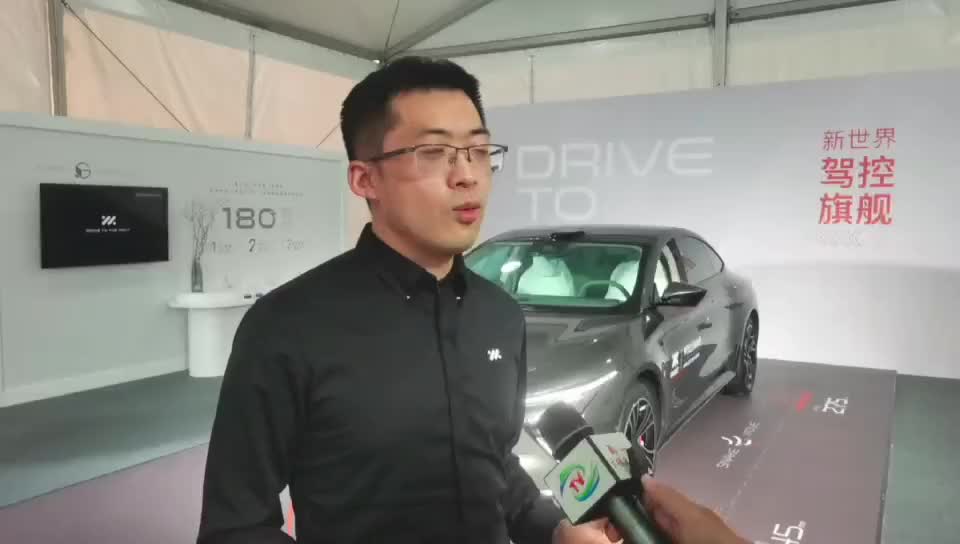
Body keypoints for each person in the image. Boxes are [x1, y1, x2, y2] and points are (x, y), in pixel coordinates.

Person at [195, 55, 749, 544]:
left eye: (479, 151)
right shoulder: (287, 325)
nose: (467, 176)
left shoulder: (499, 315)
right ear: (365, 179)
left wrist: (554, 532)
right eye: (434, 152)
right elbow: (235, 526)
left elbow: (496, 468)